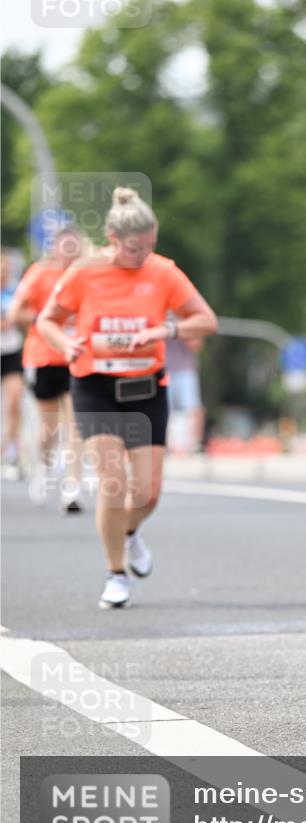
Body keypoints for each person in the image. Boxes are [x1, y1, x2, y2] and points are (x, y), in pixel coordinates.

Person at [38, 187, 217, 609]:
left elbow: (204, 320)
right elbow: (48, 320)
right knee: (113, 483)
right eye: (136, 249)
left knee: (149, 493)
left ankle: (130, 532)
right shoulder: (84, 272)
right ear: (112, 241)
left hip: (146, 387)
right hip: (95, 386)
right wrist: (65, 346)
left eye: (152, 246)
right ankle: (115, 573)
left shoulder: (162, 272)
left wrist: (165, 330)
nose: (144, 256)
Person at [9, 226, 87, 510]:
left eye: (74, 246)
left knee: (76, 424)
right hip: (43, 357)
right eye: (64, 246)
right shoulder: (40, 274)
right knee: (50, 428)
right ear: (55, 248)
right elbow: (16, 312)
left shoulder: (85, 275)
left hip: (76, 358)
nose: (69, 252)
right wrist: (48, 318)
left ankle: (72, 487)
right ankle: (43, 462)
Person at [1, 250, 24, 479]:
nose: (3, 275)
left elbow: (30, 315)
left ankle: (12, 451)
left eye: (6, 271)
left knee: (14, 401)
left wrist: (15, 318)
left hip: (11, 352)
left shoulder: (16, 293)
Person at [166, 334, 206, 453]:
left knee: (193, 407)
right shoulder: (158, 318)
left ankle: (195, 444)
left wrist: (176, 331)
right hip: (164, 370)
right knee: (163, 408)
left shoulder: (187, 317)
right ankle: (166, 444)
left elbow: (196, 345)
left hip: (185, 370)